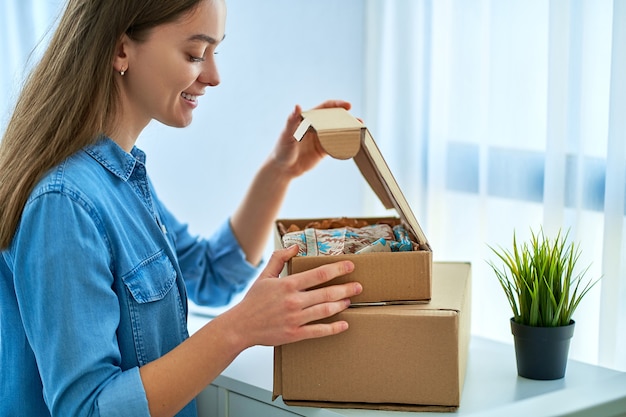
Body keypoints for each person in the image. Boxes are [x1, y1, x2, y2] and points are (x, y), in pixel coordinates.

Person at [0, 0, 363, 416]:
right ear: (121, 50)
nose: (213, 76)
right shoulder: (65, 205)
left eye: (215, 52)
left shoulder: (121, 176)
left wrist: (279, 172)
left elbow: (210, 274)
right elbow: (88, 410)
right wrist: (239, 328)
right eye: (194, 54)